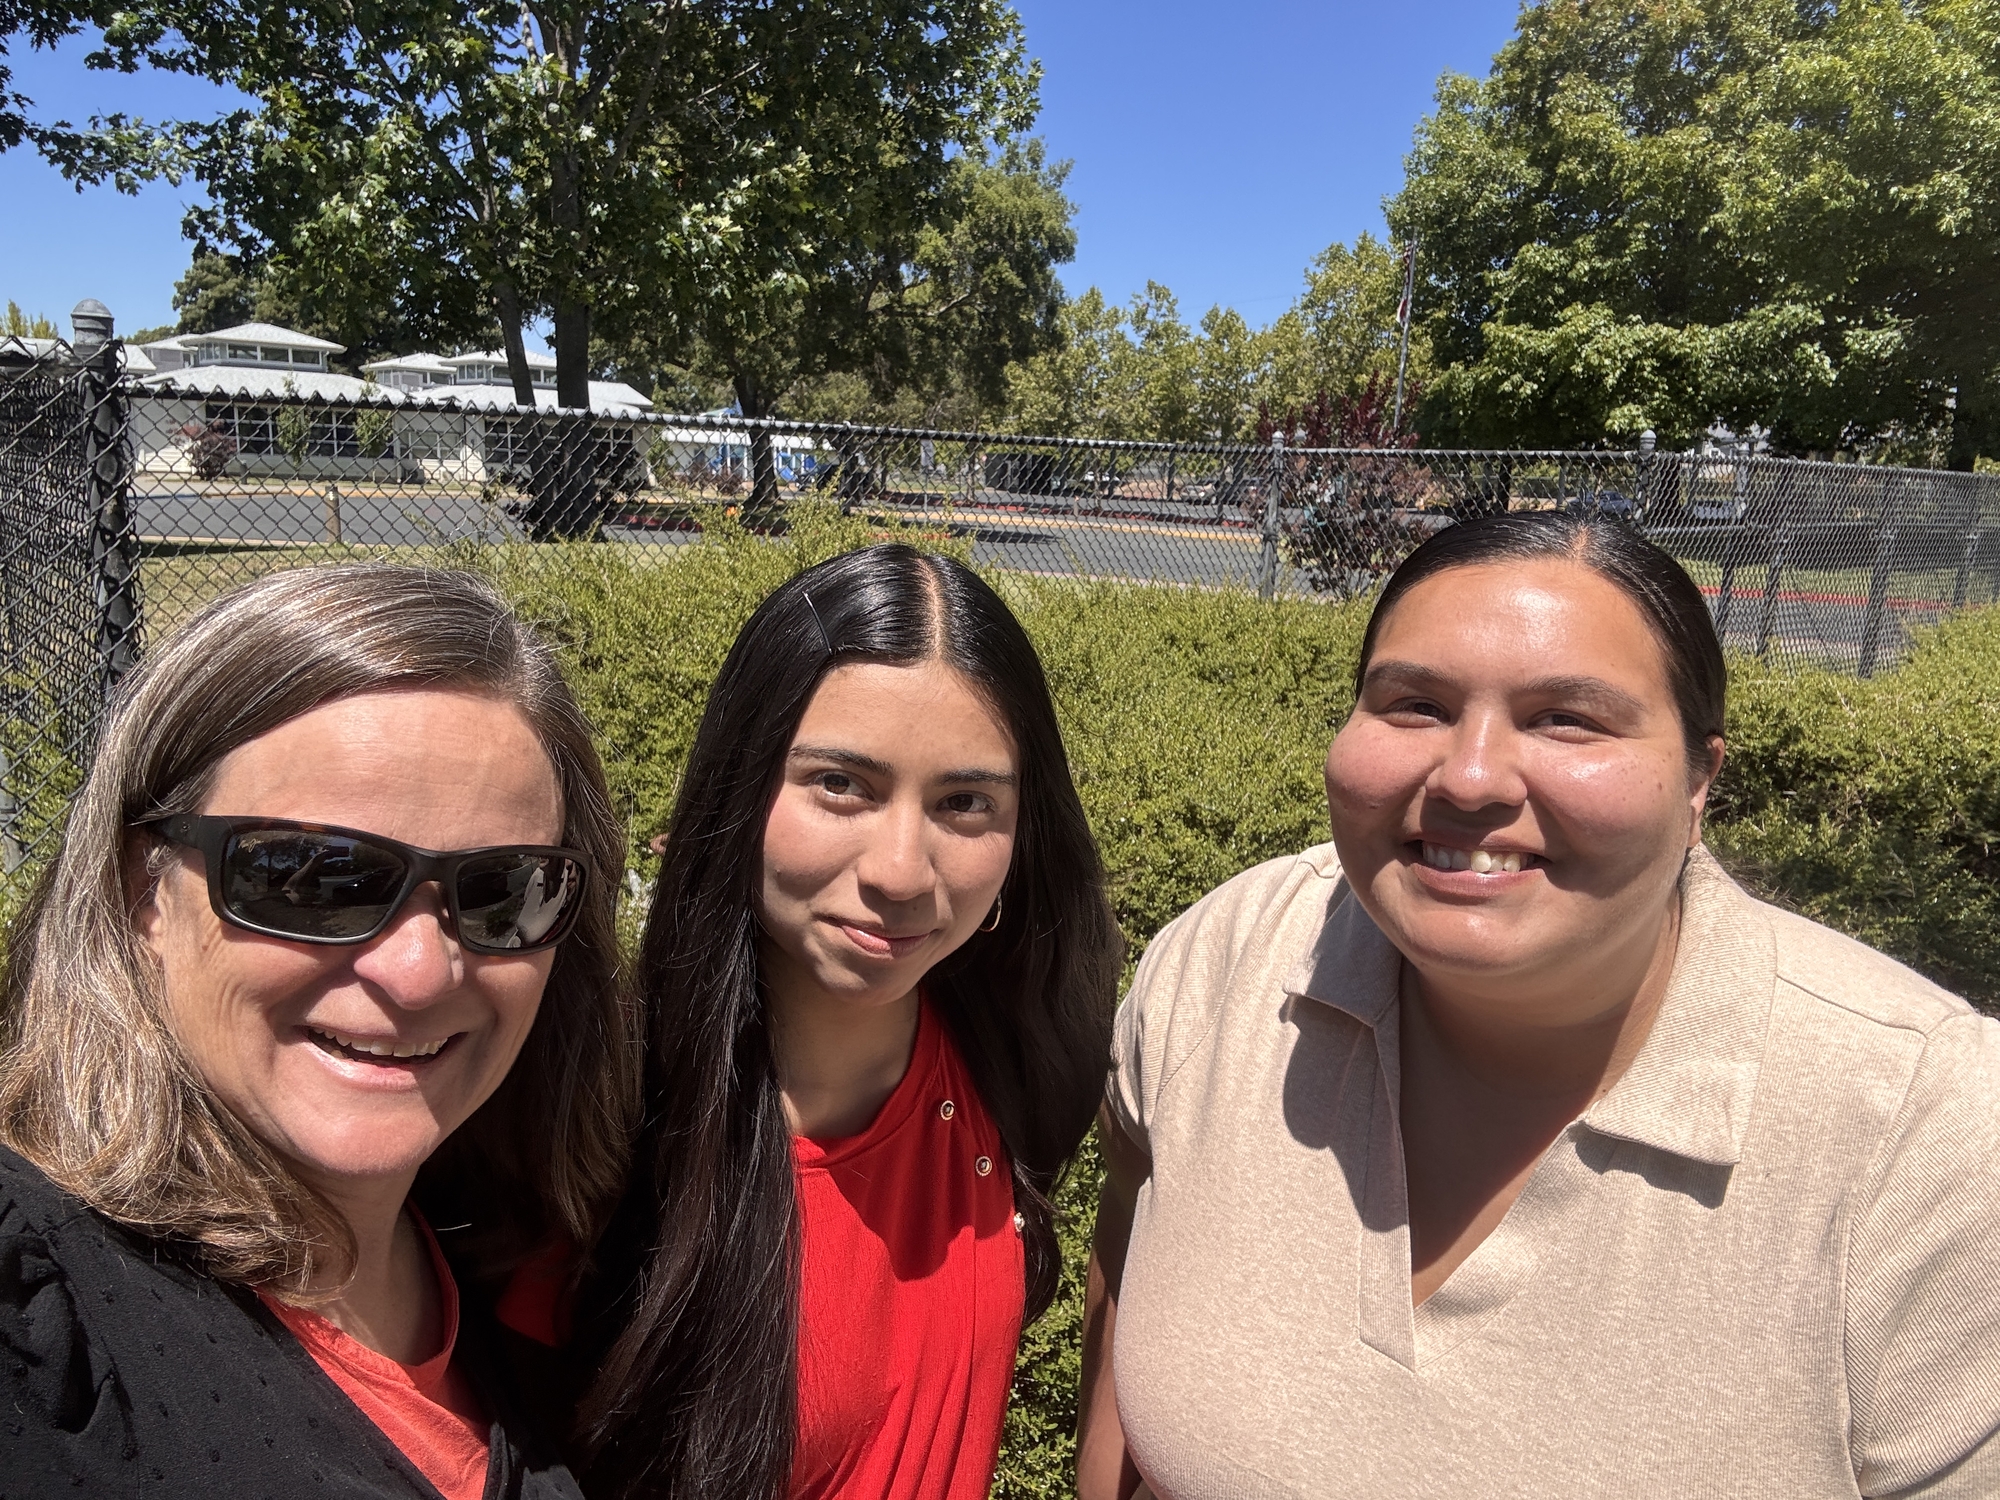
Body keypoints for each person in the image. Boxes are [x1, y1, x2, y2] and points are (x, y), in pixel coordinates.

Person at [1077, 513, 2000, 1499]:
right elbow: (1129, 1221)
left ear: (1698, 781)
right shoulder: (1230, 959)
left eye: (1567, 718)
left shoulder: (1929, 1136)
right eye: (1412, 704)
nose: (1468, 777)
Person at [0, 564, 635, 1499]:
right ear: (145, 892)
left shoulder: (520, 1269)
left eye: (503, 891)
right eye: (313, 877)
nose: (420, 972)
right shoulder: (38, 1313)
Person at [565, 543, 1122, 1500]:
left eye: (964, 803)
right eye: (841, 785)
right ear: (741, 791)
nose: (901, 872)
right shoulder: (599, 1140)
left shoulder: (1017, 1059)